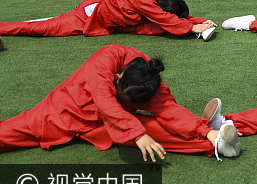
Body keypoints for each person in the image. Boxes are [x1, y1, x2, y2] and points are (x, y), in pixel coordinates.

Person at [0, 44, 240, 160]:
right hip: (60, 113)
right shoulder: (106, 60)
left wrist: (202, 131)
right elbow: (106, 102)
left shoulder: (150, 82)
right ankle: (215, 134)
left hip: (109, 124)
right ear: (118, 76)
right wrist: (137, 133)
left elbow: (168, 109)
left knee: (165, 130)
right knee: (7, 133)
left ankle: (216, 140)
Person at [0, 0, 217, 40]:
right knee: (44, 28)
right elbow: (164, 19)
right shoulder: (147, 2)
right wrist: (192, 27)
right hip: (89, 14)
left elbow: (166, 17)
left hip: (114, 12)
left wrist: (195, 21)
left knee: (157, 27)